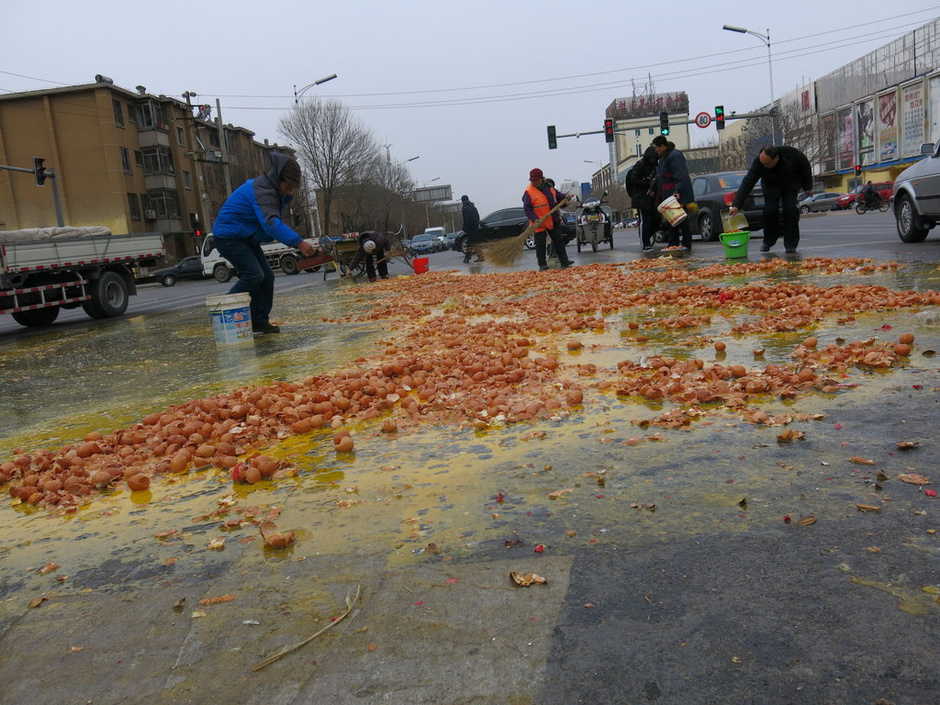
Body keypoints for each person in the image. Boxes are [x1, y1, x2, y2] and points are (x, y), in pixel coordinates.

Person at [212, 152, 316, 334]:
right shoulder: (262, 191)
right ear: (278, 178)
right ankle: (221, 312)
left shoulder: (270, 189)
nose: (290, 190)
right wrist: (298, 242)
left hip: (245, 238)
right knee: (253, 275)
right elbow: (271, 224)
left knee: (267, 276)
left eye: (293, 187)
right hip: (228, 237)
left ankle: (258, 320)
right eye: (289, 185)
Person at [729, 145, 813, 254]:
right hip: (771, 186)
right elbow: (748, 182)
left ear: (776, 158)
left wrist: (808, 187)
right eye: (763, 163)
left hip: (790, 184)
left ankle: (790, 244)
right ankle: (768, 241)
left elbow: (805, 167)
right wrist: (736, 204)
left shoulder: (791, 154)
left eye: (767, 164)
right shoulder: (759, 163)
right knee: (770, 211)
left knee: (790, 210)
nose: (764, 166)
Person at [523, 168, 573, 271]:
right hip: (539, 222)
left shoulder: (549, 188)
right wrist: (535, 219)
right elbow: (527, 209)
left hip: (552, 218)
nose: (534, 182)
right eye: (532, 181)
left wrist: (566, 197)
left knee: (558, 240)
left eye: (536, 180)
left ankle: (564, 261)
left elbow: (558, 196)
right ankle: (542, 264)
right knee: (540, 244)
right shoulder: (529, 192)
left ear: (541, 179)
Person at [650, 135, 694, 251]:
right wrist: (653, 188)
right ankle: (673, 244)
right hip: (668, 194)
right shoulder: (663, 158)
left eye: (656, 148)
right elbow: (660, 177)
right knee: (671, 220)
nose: (655, 150)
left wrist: (677, 191)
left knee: (682, 219)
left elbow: (680, 175)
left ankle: (686, 244)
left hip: (677, 194)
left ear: (662, 146)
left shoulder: (675, 156)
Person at [626, 146, 660, 251]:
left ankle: (647, 236)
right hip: (641, 198)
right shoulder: (640, 165)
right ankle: (645, 243)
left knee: (656, 219)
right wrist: (648, 183)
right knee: (645, 221)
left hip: (652, 198)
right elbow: (633, 180)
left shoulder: (655, 167)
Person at [460, 195, 482, 263]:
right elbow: (478, 217)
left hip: (470, 228)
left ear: (462, 201)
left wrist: (464, 228)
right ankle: (479, 256)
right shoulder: (473, 207)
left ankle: (467, 258)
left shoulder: (465, 208)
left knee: (470, 243)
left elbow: (466, 219)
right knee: (475, 243)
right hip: (475, 227)